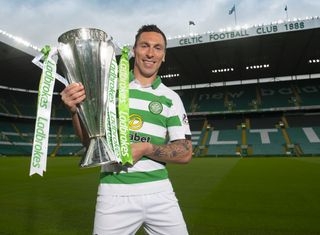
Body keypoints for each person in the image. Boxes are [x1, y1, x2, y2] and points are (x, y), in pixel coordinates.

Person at [60, 24, 192, 235]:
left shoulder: (171, 98)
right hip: (114, 191)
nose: (150, 53)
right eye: (144, 46)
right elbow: (89, 142)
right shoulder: (108, 88)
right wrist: (75, 111)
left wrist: (146, 148)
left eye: (158, 48)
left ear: (164, 55)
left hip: (160, 192)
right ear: (133, 50)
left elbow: (185, 151)